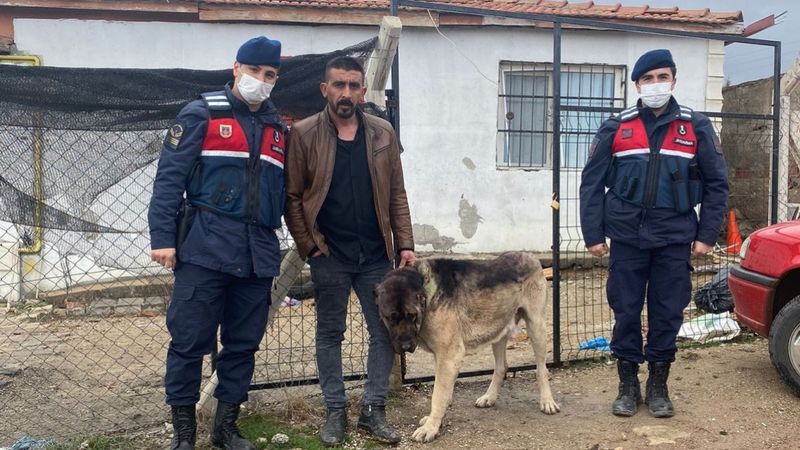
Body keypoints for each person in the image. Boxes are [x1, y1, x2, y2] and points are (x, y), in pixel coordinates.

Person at [148, 36, 287, 450]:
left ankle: (225, 428)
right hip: (205, 251)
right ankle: (184, 435)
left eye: (270, 75)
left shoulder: (277, 129)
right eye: (254, 70)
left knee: (243, 346)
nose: (261, 80)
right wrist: (162, 238)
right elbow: (168, 180)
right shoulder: (201, 114)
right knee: (189, 344)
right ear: (236, 68)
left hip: (257, 255)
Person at [579, 49, 728, 419]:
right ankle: (628, 384)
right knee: (626, 311)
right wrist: (593, 234)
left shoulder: (695, 126)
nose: (655, 84)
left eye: (662, 77)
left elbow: (717, 185)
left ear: (673, 81)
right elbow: (592, 182)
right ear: (637, 86)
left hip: (674, 238)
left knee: (667, 312)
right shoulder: (617, 127)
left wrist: (707, 235)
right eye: (648, 79)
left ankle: (658, 384)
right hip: (627, 238)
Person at [284, 55, 415, 446]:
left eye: (353, 86)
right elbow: (292, 197)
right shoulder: (304, 133)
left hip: (376, 254)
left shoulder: (382, 132)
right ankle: (336, 411)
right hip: (330, 255)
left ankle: (373, 410)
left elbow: (397, 193)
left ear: (362, 90)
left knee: (384, 332)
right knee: (330, 333)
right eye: (338, 85)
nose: (346, 93)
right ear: (325, 89)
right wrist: (309, 246)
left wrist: (405, 243)